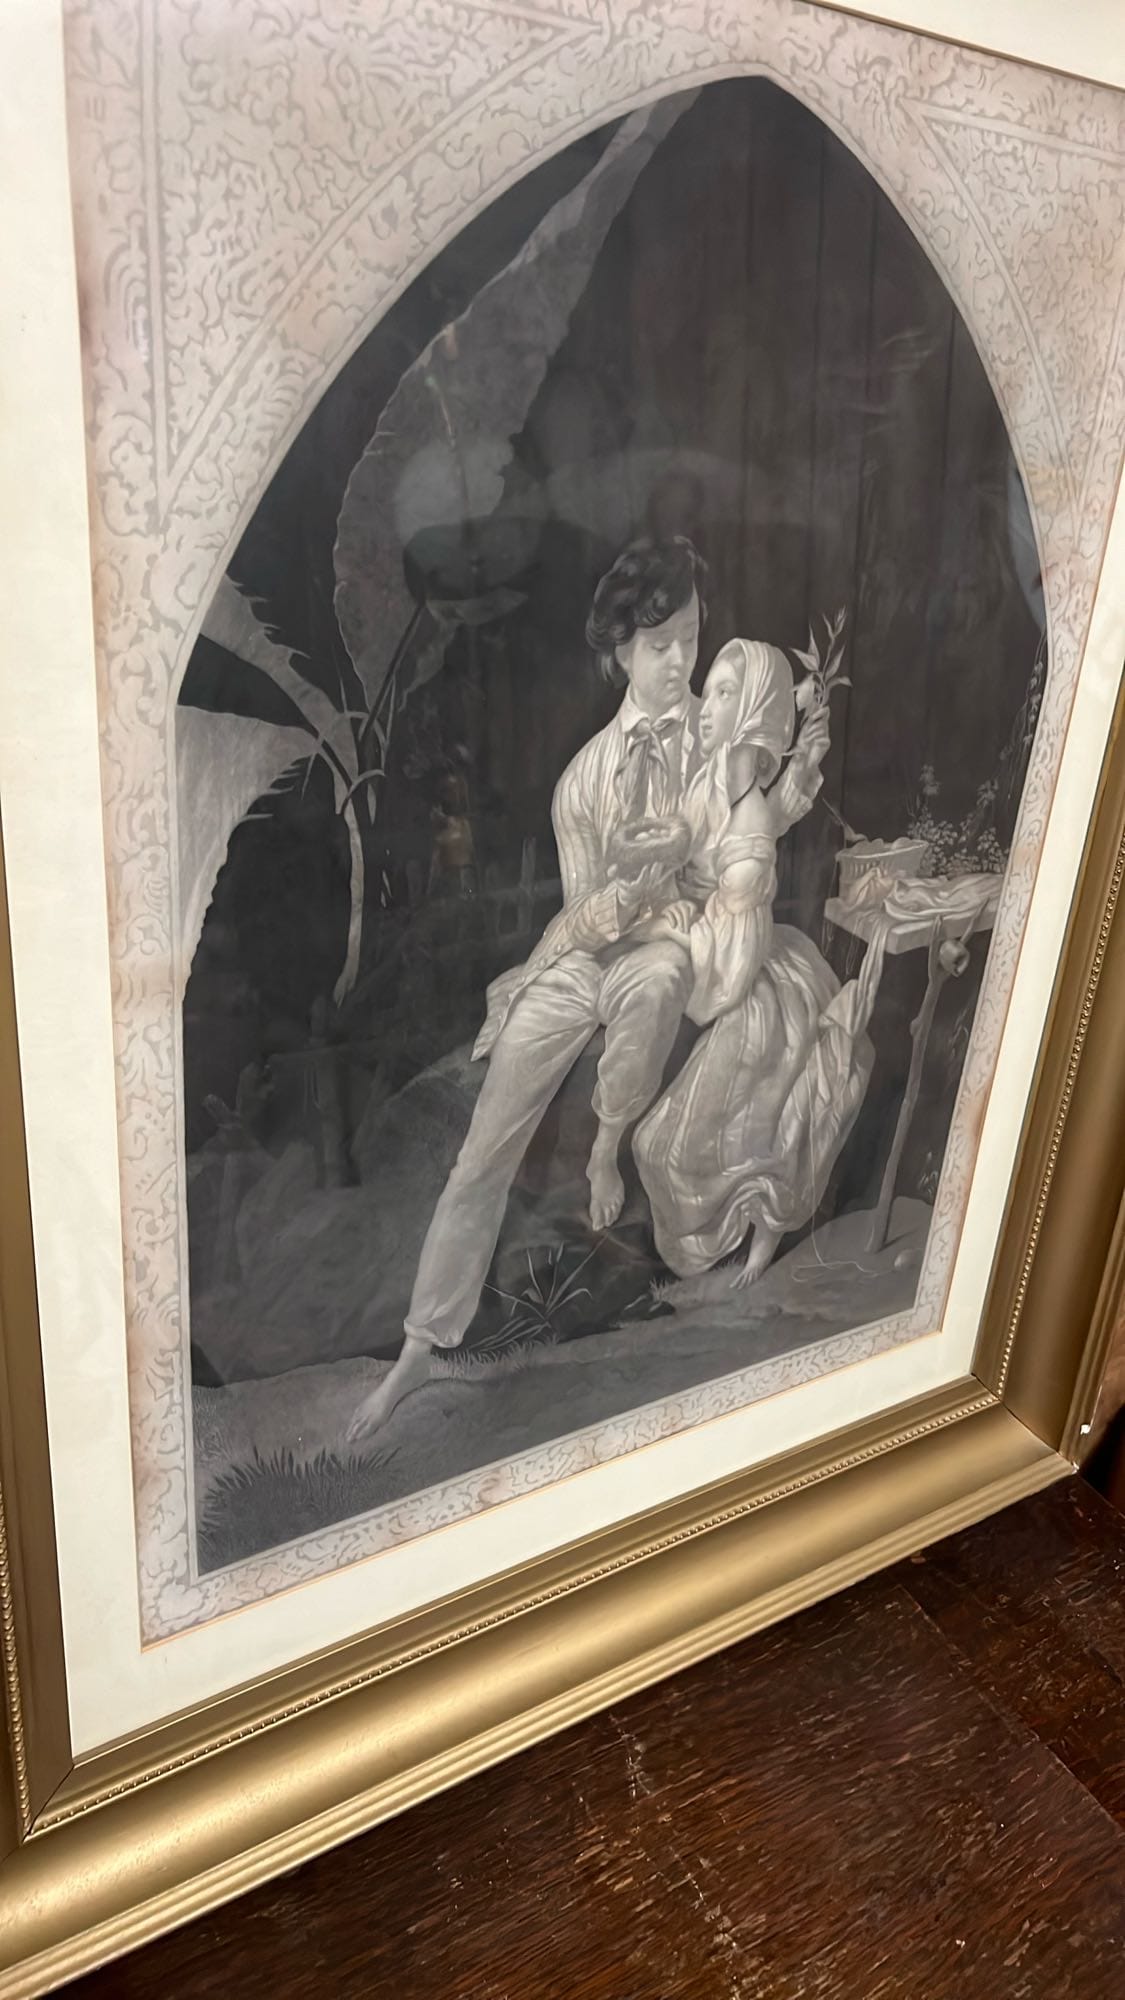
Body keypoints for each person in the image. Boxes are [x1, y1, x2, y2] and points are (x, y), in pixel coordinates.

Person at [349, 537, 708, 1436]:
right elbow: (584, 917)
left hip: (668, 949)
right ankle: (420, 1348)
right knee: (483, 1146)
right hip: (583, 956)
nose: (678, 662)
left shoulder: (720, 744)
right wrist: (628, 891)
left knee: (659, 973)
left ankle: (606, 1149)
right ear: (620, 652)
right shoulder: (582, 780)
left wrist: (681, 880)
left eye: (690, 640)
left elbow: (732, 871)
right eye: (659, 645)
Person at [634, 638, 886, 1285]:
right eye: (710, 688)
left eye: (723, 693)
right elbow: (762, 813)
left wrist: (667, 929)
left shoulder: (747, 834)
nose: (705, 705)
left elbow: (728, 965)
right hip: (739, 955)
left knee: (707, 1141)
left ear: (749, 711)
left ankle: (757, 1239)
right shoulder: (721, 786)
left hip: (748, 985)